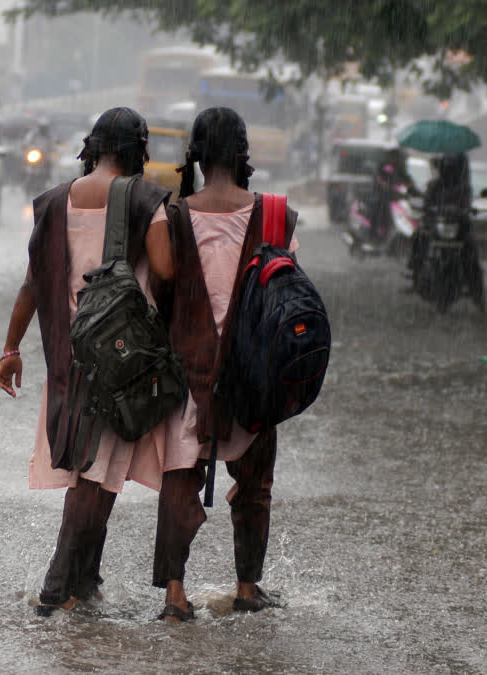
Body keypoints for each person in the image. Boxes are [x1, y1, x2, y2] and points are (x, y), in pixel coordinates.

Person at [0, 107, 173, 616]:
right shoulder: (145, 198)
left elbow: (32, 282)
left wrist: (10, 350)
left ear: (91, 148)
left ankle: (84, 584)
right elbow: (164, 268)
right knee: (96, 479)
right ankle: (57, 590)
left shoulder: (53, 202)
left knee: (93, 473)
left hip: (66, 357)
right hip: (119, 360)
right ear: (139, 151)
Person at [149, 107, 301, 622]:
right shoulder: (277, 215)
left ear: (194, 153)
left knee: (178, 479)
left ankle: (174, 594)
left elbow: (158, 290)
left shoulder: (171, 214)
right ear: (244, 154)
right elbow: (289, 296)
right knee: (255, 484)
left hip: (186, 373)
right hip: (253, 376)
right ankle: (247, 588)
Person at [419, 151, 485, 310]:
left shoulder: (463, 188)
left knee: (471, 259)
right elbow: (426, 208)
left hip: (459, 231)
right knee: (418, 240)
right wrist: (428, 224)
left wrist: (463, 216)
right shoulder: (434, 186)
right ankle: (417, 271)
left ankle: (477, 296)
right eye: (445, 168)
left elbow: (466, 208)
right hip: (437, 228)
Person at [368, 147, 420, 244]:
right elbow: (380, 180)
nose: (395, 159)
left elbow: (407, 180)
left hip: (396, 198)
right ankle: (374, 235)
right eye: (393, 157)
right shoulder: (382, 166)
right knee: (379, 210)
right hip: (381, 196)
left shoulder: (399, 168)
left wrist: (414, 190)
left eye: (397, 157)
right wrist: (388, 186)